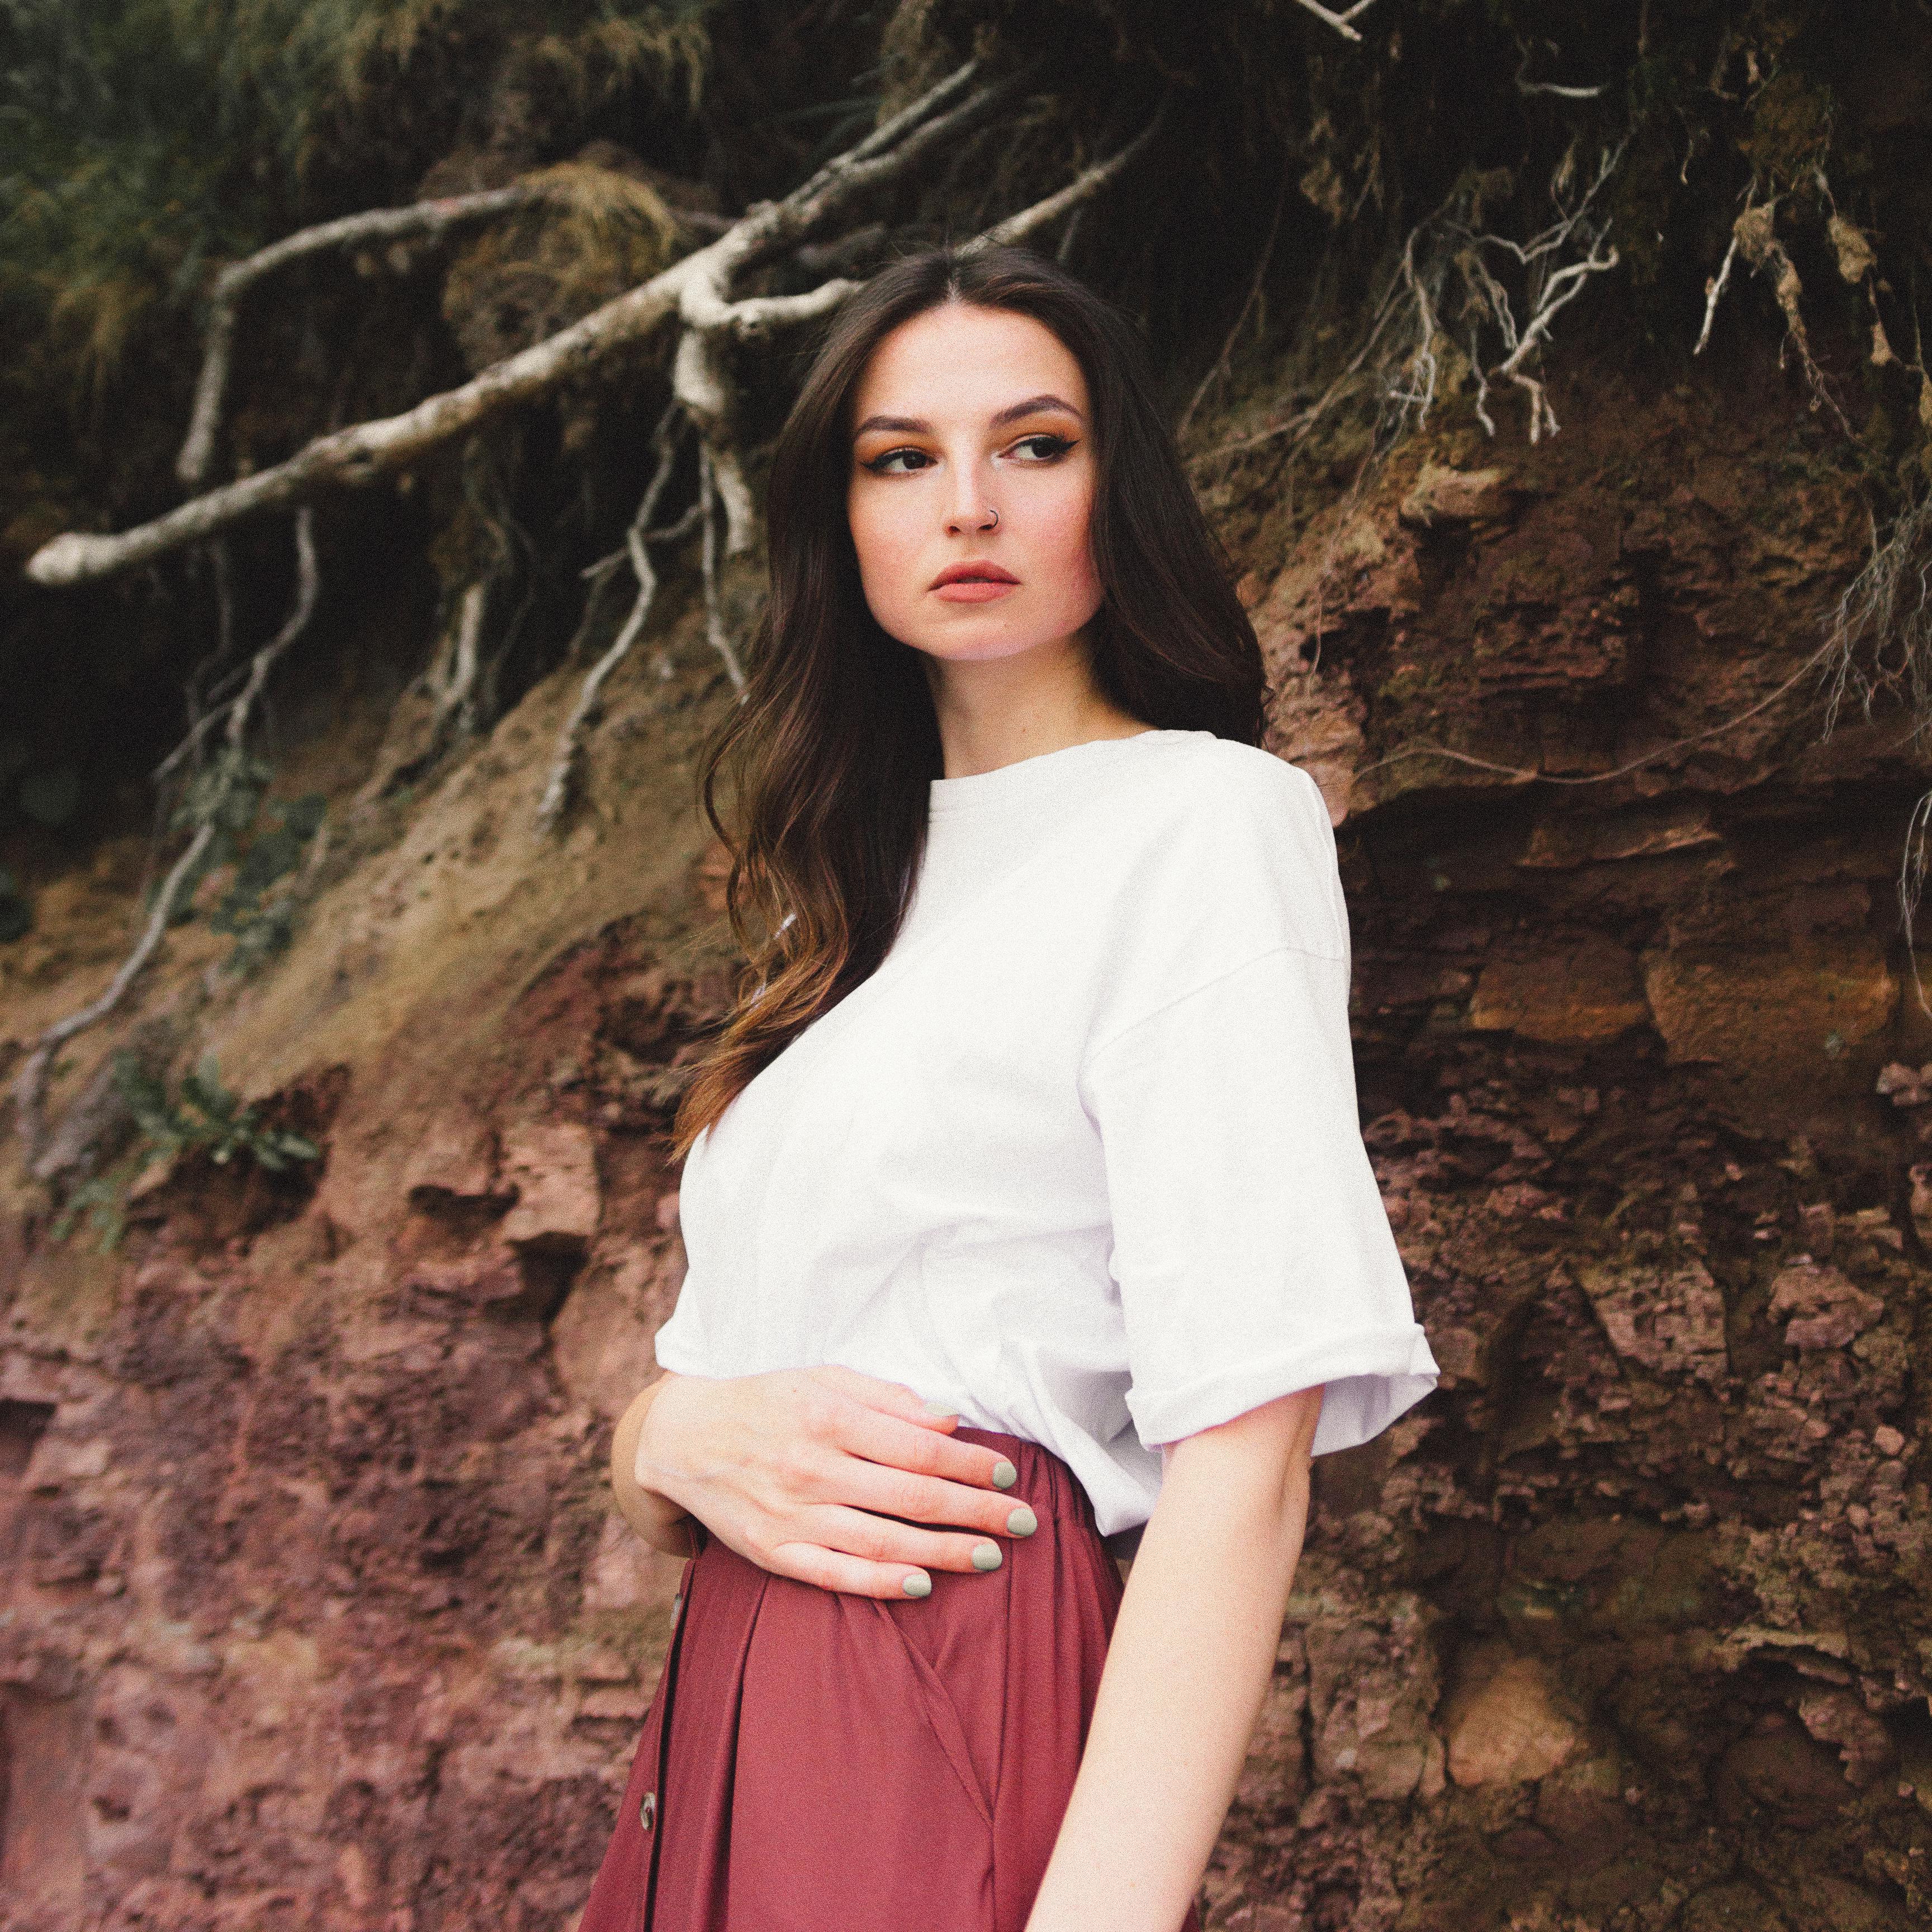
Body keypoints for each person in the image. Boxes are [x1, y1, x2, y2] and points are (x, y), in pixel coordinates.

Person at [578, 244, 1438, 1932]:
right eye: (903, 459)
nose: (966, 502)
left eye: (1034, 445)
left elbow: (1247, 1451)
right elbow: (717, 1388)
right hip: (731, 1691)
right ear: (845, 519)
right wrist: (657, 1434)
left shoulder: (1199, 824)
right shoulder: (855, 898)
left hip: (944, 1665)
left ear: (1120, 488)